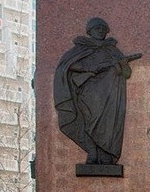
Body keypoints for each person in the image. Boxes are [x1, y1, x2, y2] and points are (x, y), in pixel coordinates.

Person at [53, 18, 142, 165]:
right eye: (97, 28)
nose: (100, 31)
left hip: (110, 98)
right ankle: (92, 151)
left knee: (107, 128)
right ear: (89, 31)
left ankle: (105, 155)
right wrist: (89, 68)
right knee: (86, 123)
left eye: (103, 29)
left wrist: (123, 65)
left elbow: (126, 74)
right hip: (87, 95)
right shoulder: (80, 49)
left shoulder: (113, 50)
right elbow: (67, 66)